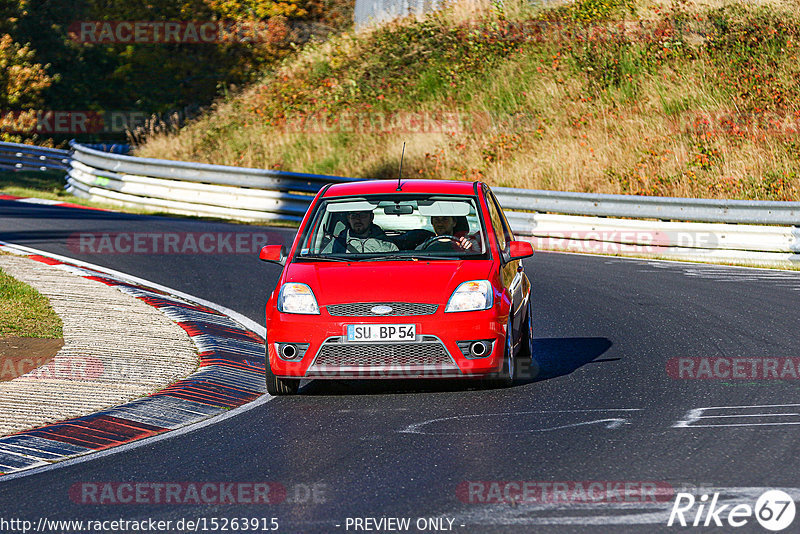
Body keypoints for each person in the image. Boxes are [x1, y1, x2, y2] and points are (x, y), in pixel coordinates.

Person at [322, 210, 399, 253]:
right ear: (348, 218)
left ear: (371, 217)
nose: (358, 219)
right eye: (354, 216)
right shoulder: (336, 244)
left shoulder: (388, 246)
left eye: (363, 216)